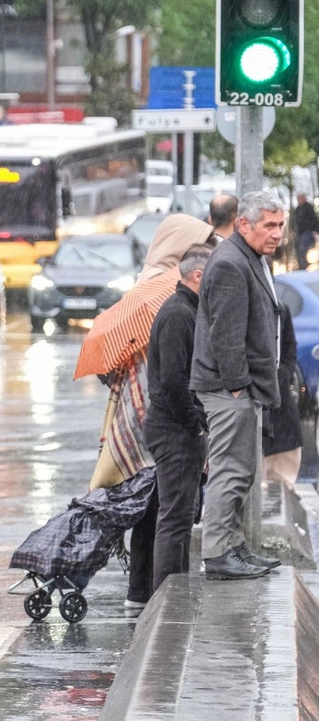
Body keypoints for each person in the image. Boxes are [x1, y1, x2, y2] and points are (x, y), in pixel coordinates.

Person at [90, 214, 214, 612]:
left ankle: (144, 592)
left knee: (161, 510)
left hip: (158, 419)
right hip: (162, 422)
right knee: (166, 515)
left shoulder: (169, 300)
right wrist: (196, 426)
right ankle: (159, 595)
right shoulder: (166, 304)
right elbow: (172, 380)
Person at [192, 191, 285, 580]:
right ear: (243, 224)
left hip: (235, 386)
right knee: (230, 471)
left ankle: (232, 547)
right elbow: (226, 336)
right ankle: (218, 553)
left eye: (281, 225)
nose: (277, 233)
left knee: (240, 470)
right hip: (227, 388)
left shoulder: (245, 257)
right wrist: (236, 386)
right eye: (269, 225)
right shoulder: (232, 262)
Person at [144, 244, 213, 592]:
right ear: (198, 276)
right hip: (173, 430)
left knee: (183, 515)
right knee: (175, 518)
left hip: (176, 427)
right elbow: (173, 382)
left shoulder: (187, 310)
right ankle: (168, 595)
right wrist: (197, 427)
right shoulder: (178, 314)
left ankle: (175, 590)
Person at [263, 306, 303, 490]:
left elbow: (289, 346)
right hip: (258, 397)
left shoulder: (280, 308)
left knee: (283, 474)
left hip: (279, 400)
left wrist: (283, 373)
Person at [293, 194, 319, 271]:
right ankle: (301, 265)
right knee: (298, 248)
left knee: (304, 249)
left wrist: (315, 230)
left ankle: (304, 266)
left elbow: (313, 219)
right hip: (300, 233)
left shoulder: (308, 207)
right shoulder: (297, 209)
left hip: (307, 231)